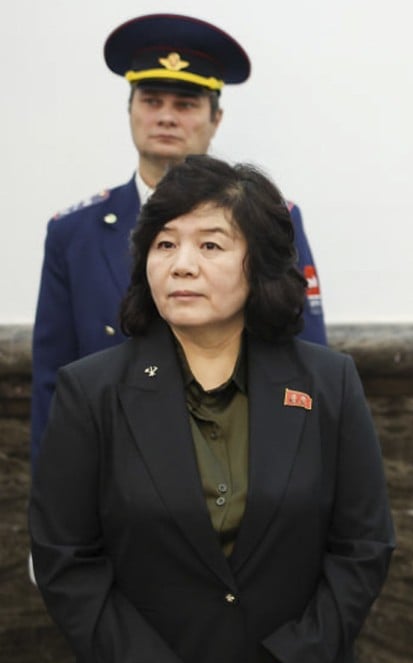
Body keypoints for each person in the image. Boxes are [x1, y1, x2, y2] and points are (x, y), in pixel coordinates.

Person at [29, 155, 394, 663]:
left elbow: (363, 547)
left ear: (260, 263)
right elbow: (67, 562)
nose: (181, 264)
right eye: (165, 244)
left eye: (210, 245)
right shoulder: (90, 392)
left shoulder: (326, 383)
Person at [30, 13, 327, 469]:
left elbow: (305, 359)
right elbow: (53, 380)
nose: (166, 116)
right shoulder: (74, 234)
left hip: (237, 465)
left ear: (216, 118)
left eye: (186, 103)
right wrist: (49, 517)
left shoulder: (271, 221)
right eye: (151, 100)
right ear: (130, 110)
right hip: (111, 469)